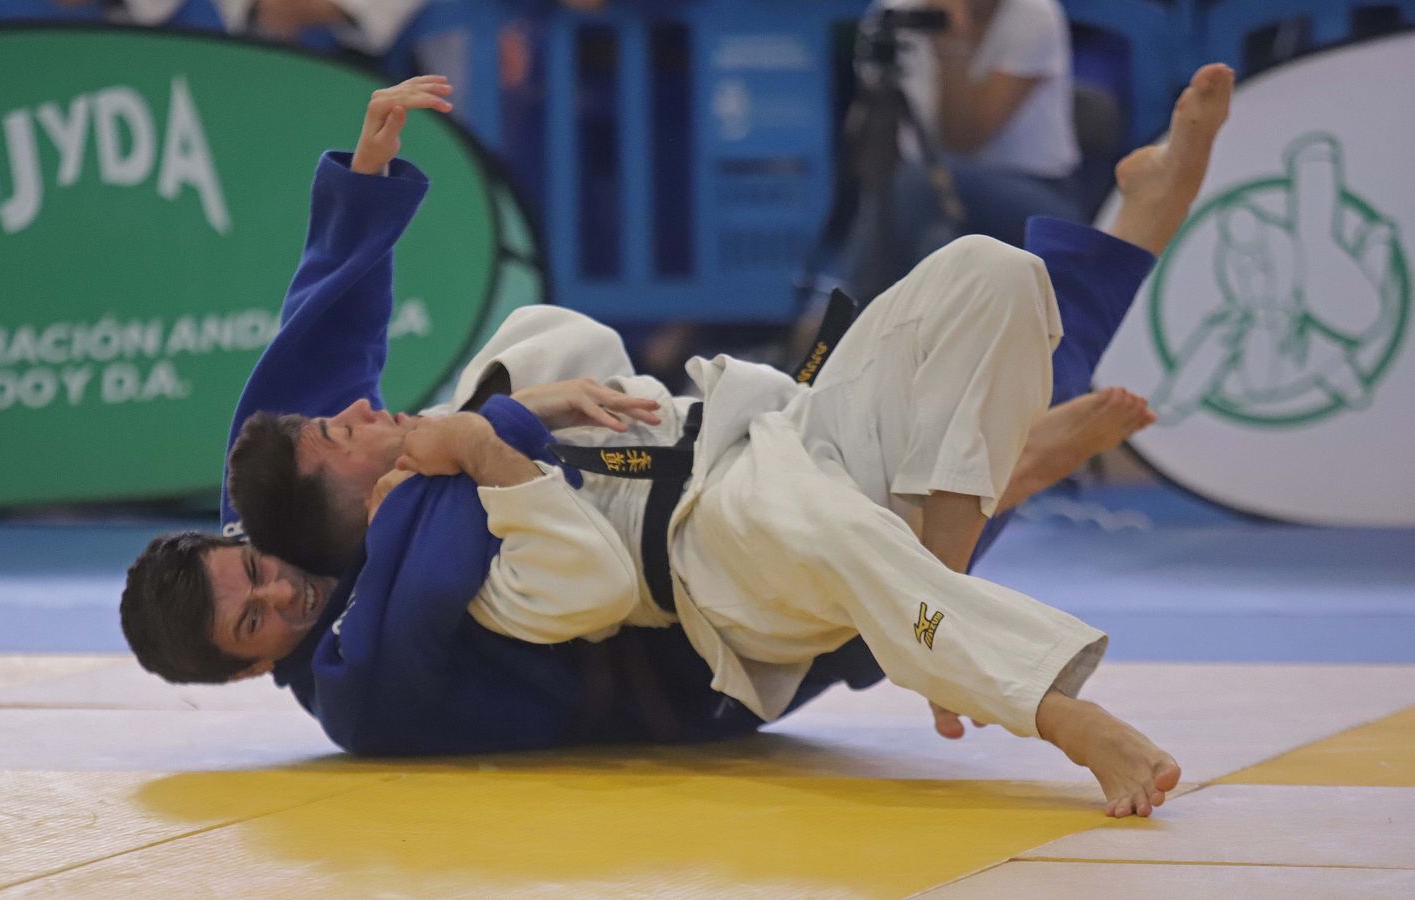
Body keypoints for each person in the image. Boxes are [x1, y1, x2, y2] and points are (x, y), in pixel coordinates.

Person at [126, 65, 1233, 819]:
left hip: (732, 424)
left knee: (985, 287)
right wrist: (493, 436)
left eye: (258, 574)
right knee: (851, 526)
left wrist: (364, 186)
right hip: (692, 618)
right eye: (255, 620)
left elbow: (313, 352)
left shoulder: (292, 497)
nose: (280, 596)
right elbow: (575, 584)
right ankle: (1049, 698)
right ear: (247, 664)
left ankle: (973, 534)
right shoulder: (364, 670)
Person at [846, 0, 1084, 301]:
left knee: (916, 183)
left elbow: (963, 140)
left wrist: (952, 49)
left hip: (1038, 194)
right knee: (935, 242)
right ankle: (898, 332)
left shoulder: (1033, 13)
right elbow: (871, 136)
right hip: (928, 198)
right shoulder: (896, 14)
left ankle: (843, 312)